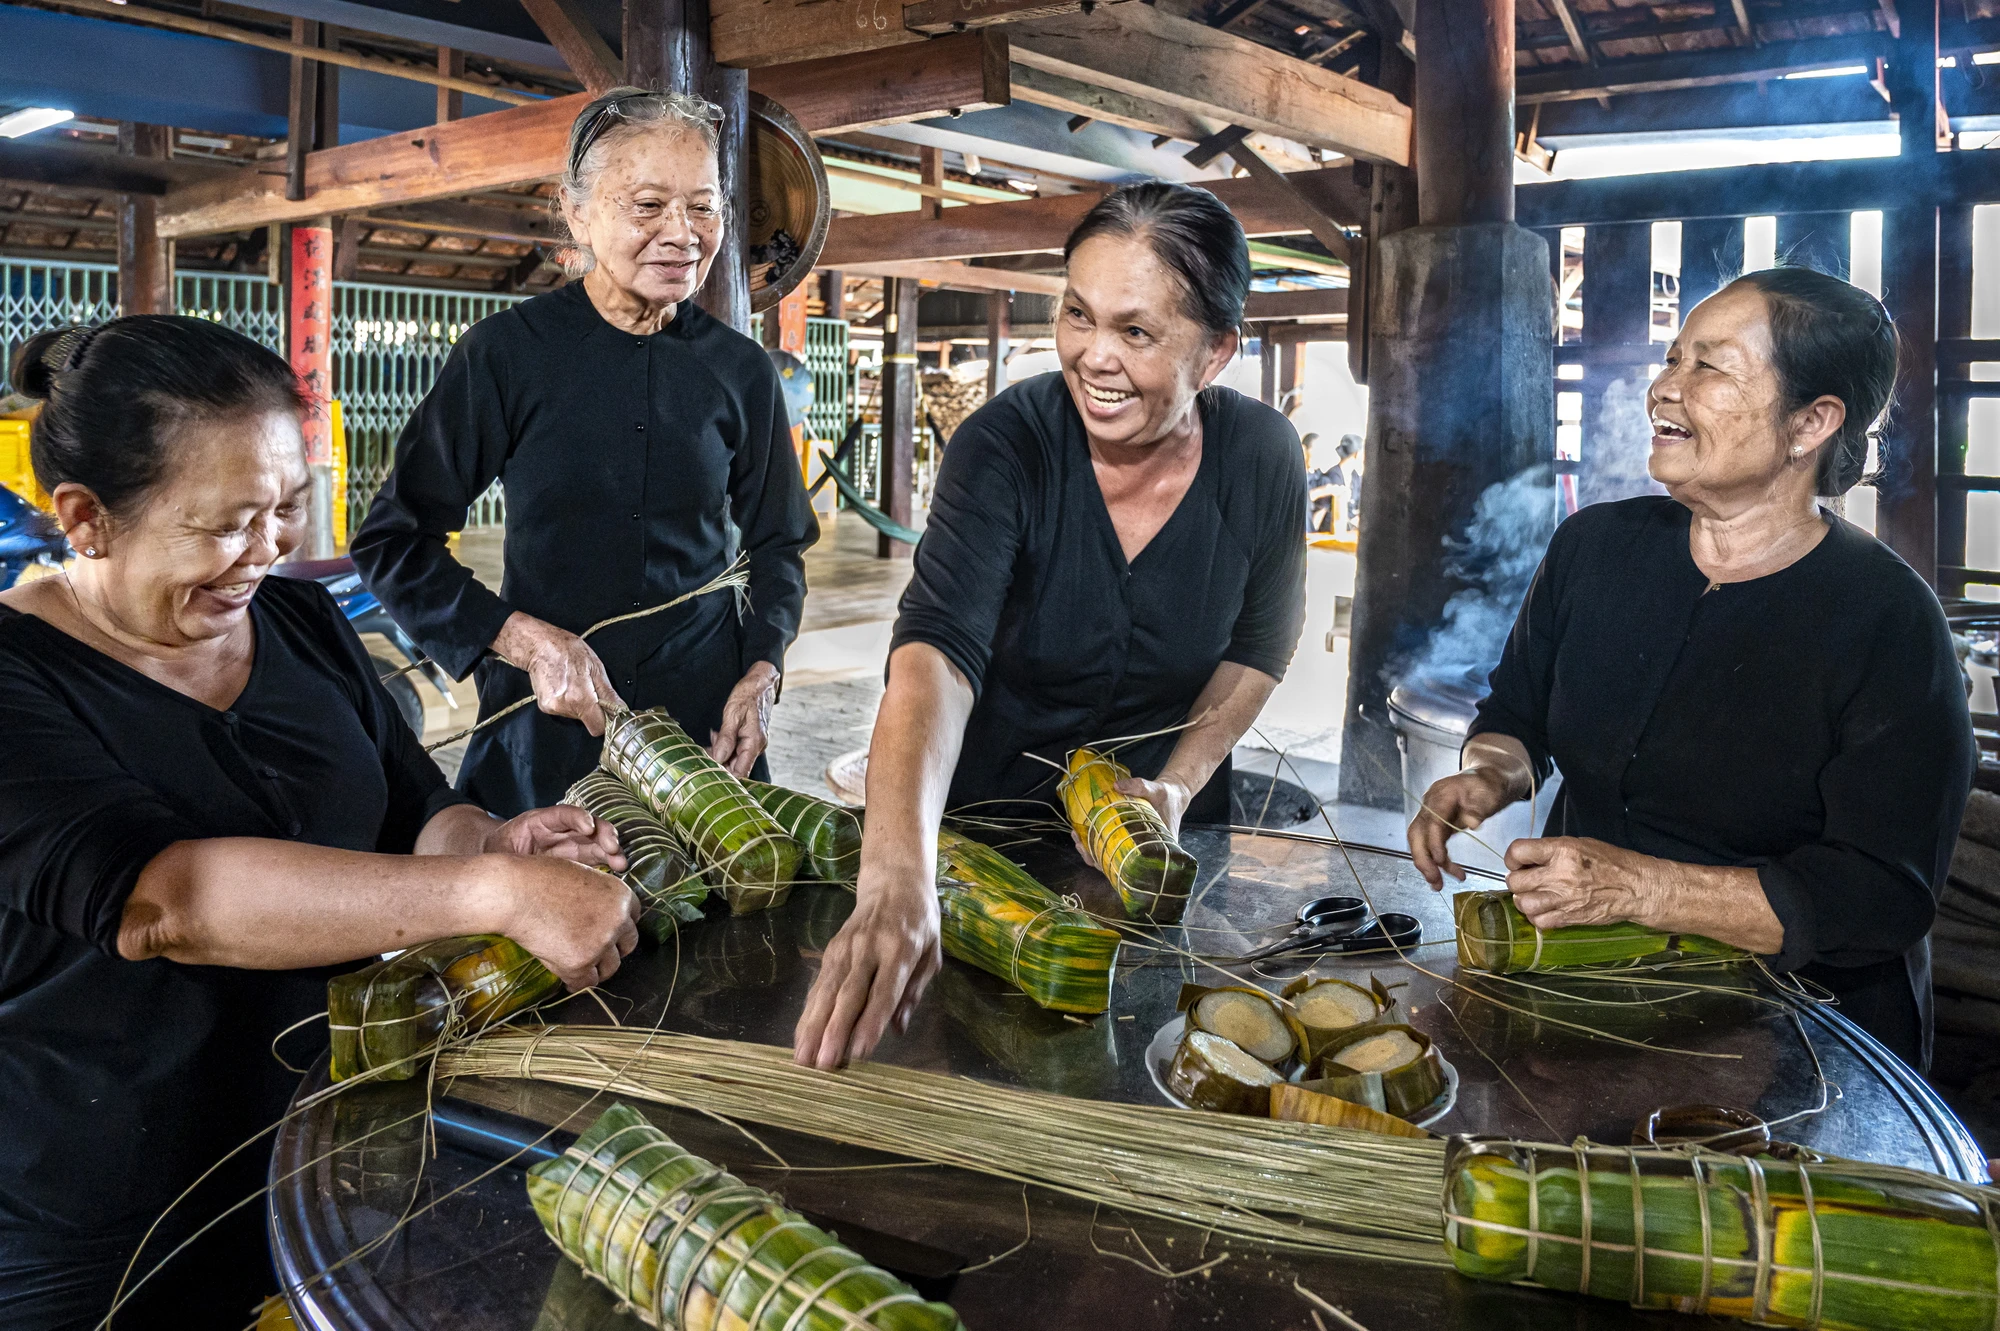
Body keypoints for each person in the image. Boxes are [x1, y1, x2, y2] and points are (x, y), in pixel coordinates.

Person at [0, 318, 640, 1330]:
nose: (267, 549)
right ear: (84, 518)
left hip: (327, 1158)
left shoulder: (298, 622)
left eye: (285, 510)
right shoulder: (16, 673)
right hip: (98, 1216)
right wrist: (486, 893)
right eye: (223, 523)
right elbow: (169, 899)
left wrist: (487, 846)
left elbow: (410, 812)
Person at [794, 182, 1309, 1070]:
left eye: (1137, 332)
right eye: (1077, 314)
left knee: (1150, 1071)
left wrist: (1179, 785)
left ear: (1217, 350)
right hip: (989, 837)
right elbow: (935, 658)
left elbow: (1259, 647)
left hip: (1155, 850)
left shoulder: (1262, 457)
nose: (1093, 358)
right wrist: (895, 870)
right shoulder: (1006, 445)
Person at [1408, 267, 1974, 1069]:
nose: (1664, 391)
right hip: (1587, 997)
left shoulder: (1887, 620)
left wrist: (1637, 887)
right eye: (1672, 360)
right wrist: (1491, 773)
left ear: (1812, 421)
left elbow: (1878, 896)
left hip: (1796, 1042)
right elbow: (1518, 715)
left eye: (1708, 367)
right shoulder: (1595, 548)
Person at [352, 87, 816, 816]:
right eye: (647, 205)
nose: (682, 233)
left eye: (703, 206)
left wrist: (763, 670)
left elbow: (778, 544)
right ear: (577, 210)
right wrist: (524, 642)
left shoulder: (740, 372)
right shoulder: (506, 355)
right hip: (549, 726)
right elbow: (392, 541)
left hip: (700, 735)